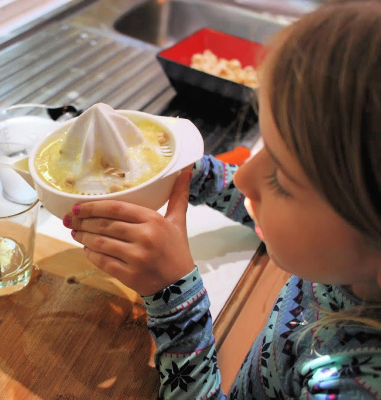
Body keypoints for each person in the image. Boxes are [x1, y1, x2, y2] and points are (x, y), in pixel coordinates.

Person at [61, 2, 381, 398]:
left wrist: (175, 298)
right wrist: (178, 169)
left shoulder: (351, 385)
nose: (245, 175)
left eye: (281, 178)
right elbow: (282, 213)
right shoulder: (348, 264)